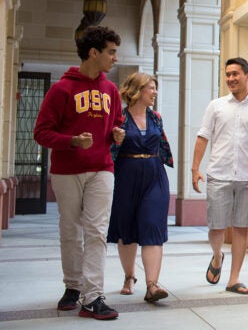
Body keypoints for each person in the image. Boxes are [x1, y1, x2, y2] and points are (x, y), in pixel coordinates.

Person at [33, 25, 125, 320]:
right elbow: (41, 133)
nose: (114, 58)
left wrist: (117, 133)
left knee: (97, 231)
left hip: (102, 168)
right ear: (93, 53)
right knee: (70, 231)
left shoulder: (111, 90)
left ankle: (93, 295)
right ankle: (72, 285)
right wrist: (71, 141)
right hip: (66, 170)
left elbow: (116, 124)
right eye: (111, 52)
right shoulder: (61, 90)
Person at [191, 57, 248, 295]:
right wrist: (195, 168)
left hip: (247, 177)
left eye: (235, 74)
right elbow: (203, 136)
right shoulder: (216, 106)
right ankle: (217, 257)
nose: (231, 79)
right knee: (216, 227)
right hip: (218, 174)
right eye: (228, 75)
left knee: (241, 228)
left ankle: (233, 279)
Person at [107, 72, 174, 303]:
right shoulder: (119, 119)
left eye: (155, 88)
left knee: (153, 226)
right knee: (127, 231)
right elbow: (109, 149)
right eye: (151, 88)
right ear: (137, 91)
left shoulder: (156, 117)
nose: (155, 92)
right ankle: (129, 277)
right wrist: (115, 139)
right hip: (127, 175)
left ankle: (152, 285)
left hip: (155, 175)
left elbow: (162, 145)